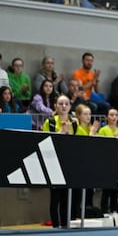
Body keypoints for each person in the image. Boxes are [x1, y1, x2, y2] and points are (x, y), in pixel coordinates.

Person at [42, 95, 75, 228]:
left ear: (70, 106)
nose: (63, 106)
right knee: (55, 197)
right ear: (55, 106)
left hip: (68, 163)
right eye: (61, 104)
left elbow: (78, 142)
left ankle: (66, 225)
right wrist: (61, 132)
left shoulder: (74, 123)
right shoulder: (49, 122)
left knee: (66, 198)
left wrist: (69, 135)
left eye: (66, 104)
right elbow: (45, 141)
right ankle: (55, 226)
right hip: (53, 163)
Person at [97, 108, 118, 214]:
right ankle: (103, 209)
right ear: (107, 117)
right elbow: (101, 146)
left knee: (115, 188)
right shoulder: (103, 130)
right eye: (111, 115)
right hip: (106, 162)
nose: (114, 117)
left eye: (116, 115)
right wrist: (113, 139)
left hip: (117, 162)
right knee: (106, 189)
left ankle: (115, 208)